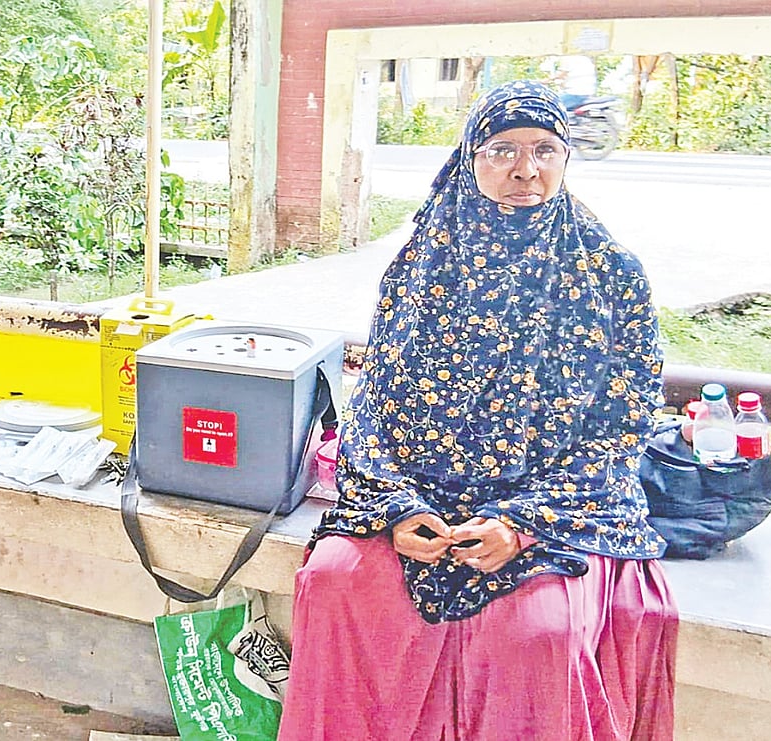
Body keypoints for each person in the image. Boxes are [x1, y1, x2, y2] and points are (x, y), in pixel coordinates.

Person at [278, 80, 677, 740]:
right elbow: (374, 405)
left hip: (555, 502)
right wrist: (397, 507)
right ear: (469, 159)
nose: (527, 169)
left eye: (546, 149)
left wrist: (521, 522)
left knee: (535, 633)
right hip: (424, 495)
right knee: (331, 584)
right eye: (502, 150)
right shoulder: (421, 268)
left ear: (566, 158)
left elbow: (622, 425)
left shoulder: (609, 274)